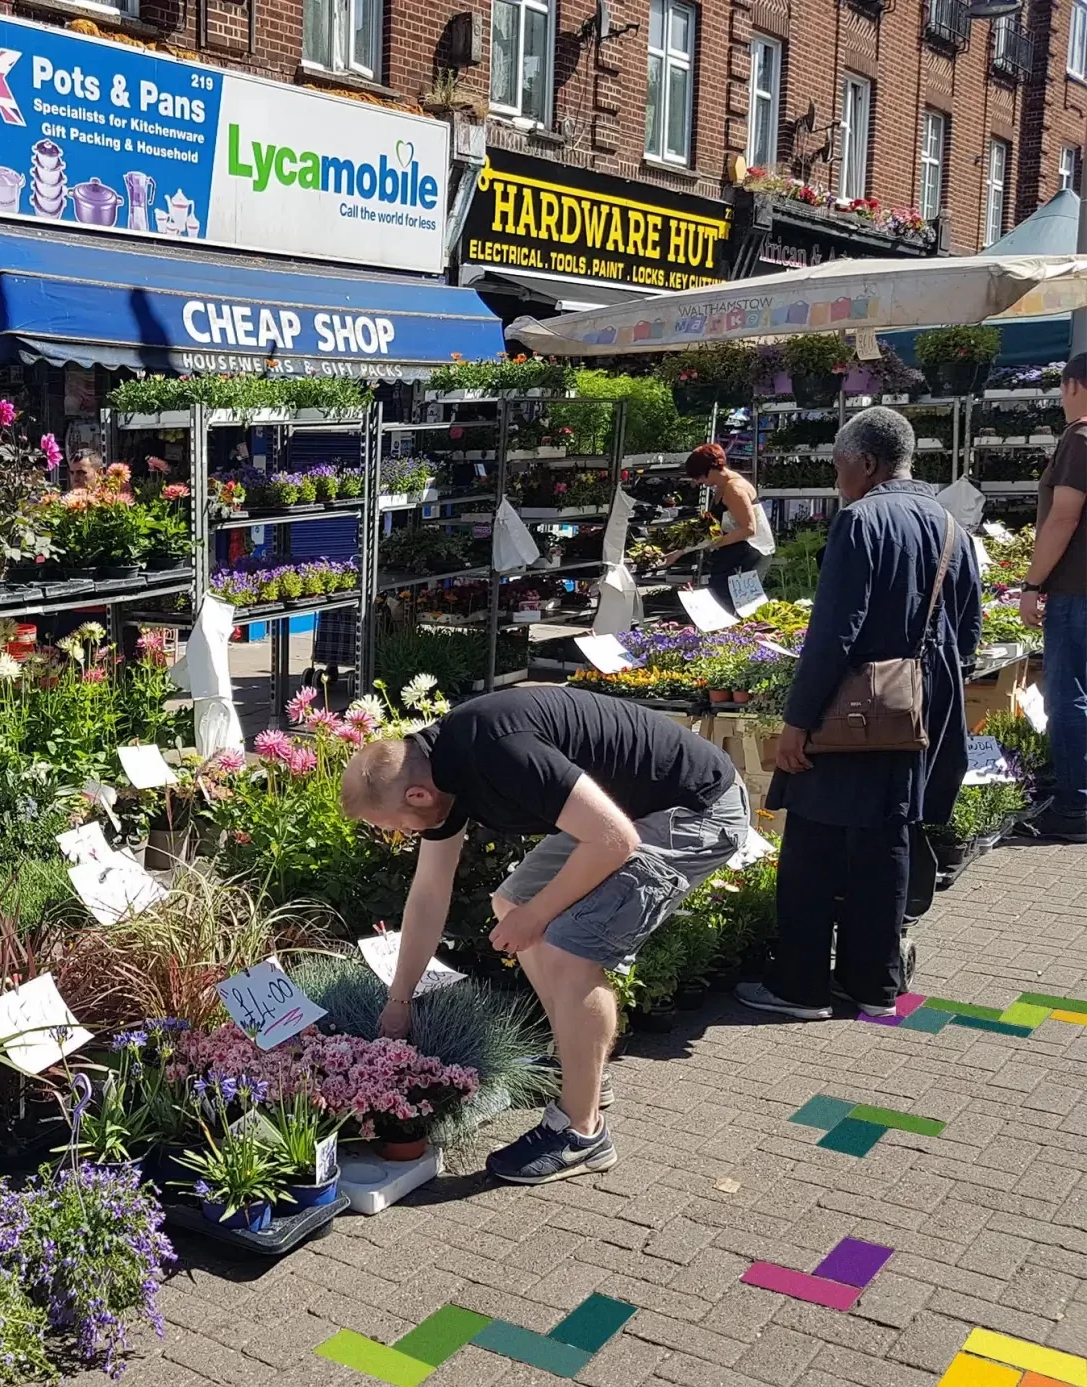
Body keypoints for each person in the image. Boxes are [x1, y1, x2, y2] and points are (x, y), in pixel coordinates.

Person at [341, 689, 749, 1184]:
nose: (400, 835)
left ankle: (582, 1133)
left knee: (568, 948)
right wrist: (399, 1001)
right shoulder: (437, 771)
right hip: (622, 813)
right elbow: (429, 894)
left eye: (394, 826)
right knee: (510, 903)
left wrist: (538, 916)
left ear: (417, 796)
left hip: (693, 811)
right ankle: (583, 1071)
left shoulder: (497, 751)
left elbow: (615, 841)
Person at [737, 407, 981, 1022]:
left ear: (866, 463)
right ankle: (873, 985)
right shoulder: (949, 524)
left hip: (851, 712)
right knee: (886, 840)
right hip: (919, 708)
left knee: (813, 843)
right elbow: (969, 629)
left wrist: (798, 721)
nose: (838, 478)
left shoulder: (862, 520)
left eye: (840, 466)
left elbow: (832, 632)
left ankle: (801, 986)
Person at [1019, 353, 1087, 842]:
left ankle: (1073, 807)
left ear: (1074, 386)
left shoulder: (1080, 437)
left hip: (1075, 590)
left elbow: (1063, 516)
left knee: (1069, 699)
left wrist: (1031, 584)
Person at [683, 443, 775, 608]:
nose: (697, 482)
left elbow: (748, 528)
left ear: (710, 470)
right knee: (722, 600)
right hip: (733, 552)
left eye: (699, 477)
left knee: (737, 606)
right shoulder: (721, 486)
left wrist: (715, 543)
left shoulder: (734, 489)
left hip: (749, 554)